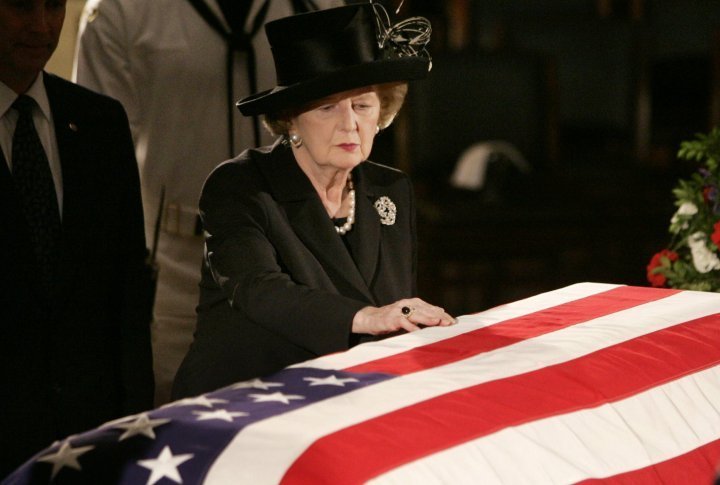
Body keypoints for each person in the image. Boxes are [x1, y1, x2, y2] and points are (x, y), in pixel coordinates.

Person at [172, 3, 455, 399]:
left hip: (345, 398)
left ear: (382, 113)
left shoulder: (391, 189)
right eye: (327, 108)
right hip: (245, 403)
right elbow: (258, 289)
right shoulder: (241, 185)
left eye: (362, 106)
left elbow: (394, 311)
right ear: (291, 120)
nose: (349, 124)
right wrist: (368, 317)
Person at [73, 0, 343, 407]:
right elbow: (98, 160)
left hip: (301, 249)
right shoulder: (121, 10)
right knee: (176, 420)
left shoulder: (318, 5)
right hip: (178, 259)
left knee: (304, 415)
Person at [0, 0, 153, 477]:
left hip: (90, 434)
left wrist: (134, 421)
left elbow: (126, 290)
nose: (42, 26)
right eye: (22, 6)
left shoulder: (101, 122)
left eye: (54, 6)